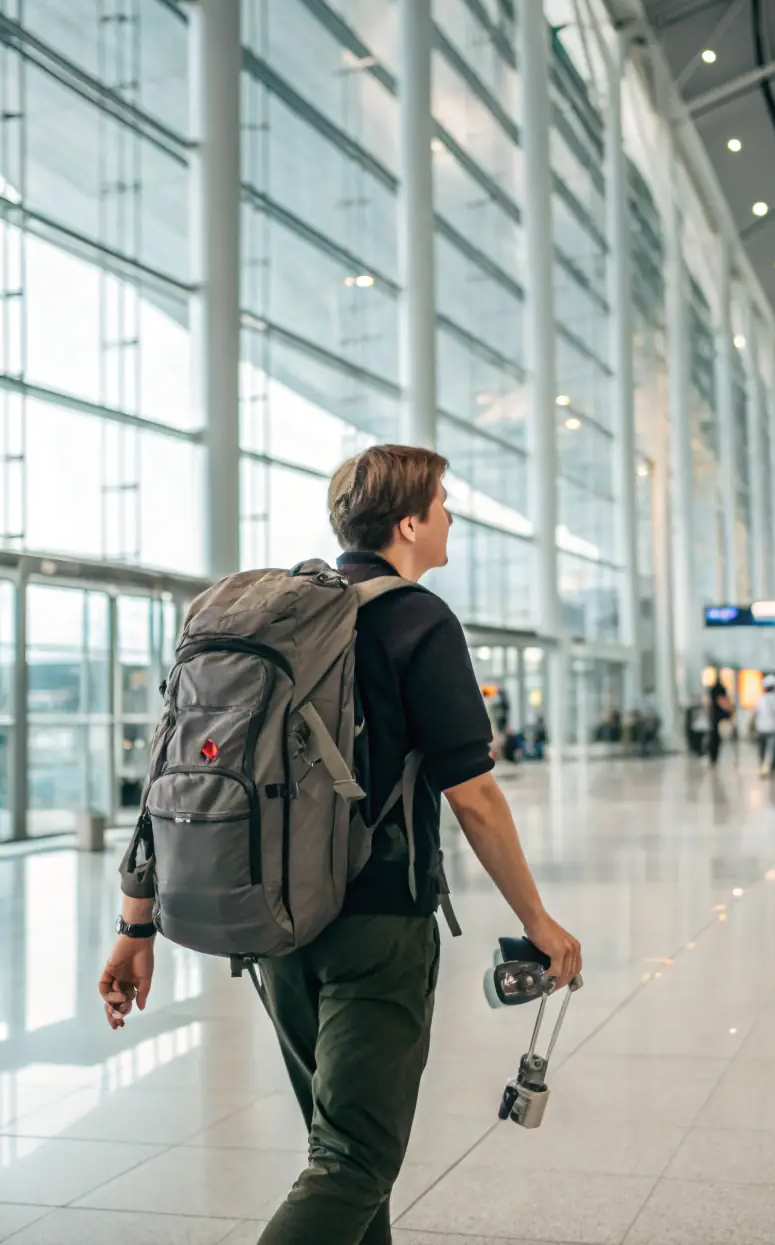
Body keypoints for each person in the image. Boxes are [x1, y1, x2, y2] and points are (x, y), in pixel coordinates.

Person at [98, 444, 582, 1245]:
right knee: (354, 1158)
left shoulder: (271, 619)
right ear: (409, 522)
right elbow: (475, 795)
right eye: (444, 501)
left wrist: (135, 923)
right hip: (377, 927)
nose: (451, 513)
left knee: (346, 1157)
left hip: (275, 922)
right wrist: (538, 918)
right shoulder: (418, 619)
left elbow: (169, 774)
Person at [754, 674, 775, 777]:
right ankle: (771, 767)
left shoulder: (762, 699)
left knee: (763, 750)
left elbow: (756, 713)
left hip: (762, 728)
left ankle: (763, 767)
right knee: (773, 750)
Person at [706, 673, 733, 766]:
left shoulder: (713, 689)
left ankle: (713, 757)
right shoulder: (721, 689)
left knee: (714, 738)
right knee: (716, 738)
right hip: (719, 717)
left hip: (715, 717)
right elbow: (723, 701)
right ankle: (714, 757)